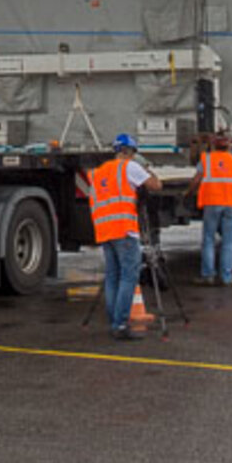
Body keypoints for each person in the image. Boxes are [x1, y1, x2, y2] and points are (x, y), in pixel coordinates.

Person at [87, 133, 154, 338]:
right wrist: (146, 168)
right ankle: (120, 324)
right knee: (128, 276)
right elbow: (155, 185)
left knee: (113, 277)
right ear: (130, 152)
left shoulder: (99, 173)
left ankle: (114, 321)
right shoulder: (129, 167)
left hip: (104, 230)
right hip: (124, 229)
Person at [186, 134, 232, 286]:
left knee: (208, 240)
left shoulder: (206, 160)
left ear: (214, 146)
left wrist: (188, 194)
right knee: (228, 242)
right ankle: (227, 277)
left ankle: (208, 275)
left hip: (212, 203)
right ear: (229, 147)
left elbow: (196, 180)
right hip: (231, 205)